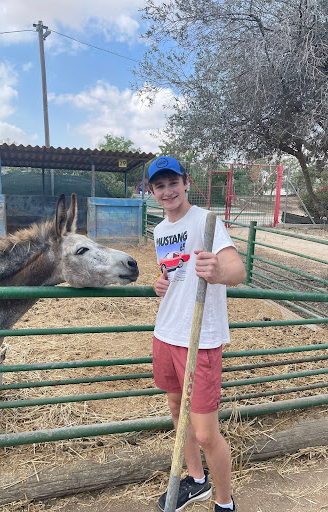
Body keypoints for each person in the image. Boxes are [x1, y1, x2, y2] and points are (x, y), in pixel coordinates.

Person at [149, 156, 246, 512]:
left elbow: (238, 270)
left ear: (186, 182)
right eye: (159, 185)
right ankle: (197, 481)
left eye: (172, 182)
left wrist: (218, 271)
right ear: (152, 191)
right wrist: (162, 283)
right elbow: (173, 271)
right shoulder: (160, 230)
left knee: (205, 432)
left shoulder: (206, 220)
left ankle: (224, 502)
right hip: (167, 331)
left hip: (199, 337)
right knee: (177, 409)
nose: (167, 190)